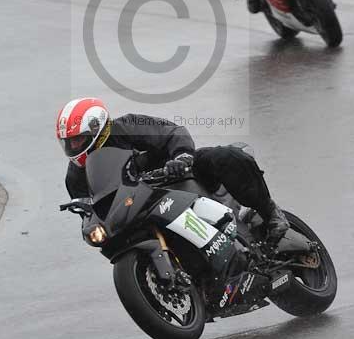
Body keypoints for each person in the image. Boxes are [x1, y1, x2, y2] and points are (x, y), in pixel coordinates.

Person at [57, 97, 289, 241]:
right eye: (68, 142)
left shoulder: (126, 126)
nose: (73, 146)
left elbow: (171, 132)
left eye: (78, 140)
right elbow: (89, 211)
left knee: (224, 157)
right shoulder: (75, 176)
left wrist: (181, 157)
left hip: (176, 175)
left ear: (97, 129)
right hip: (140, 208)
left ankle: (269, 212)